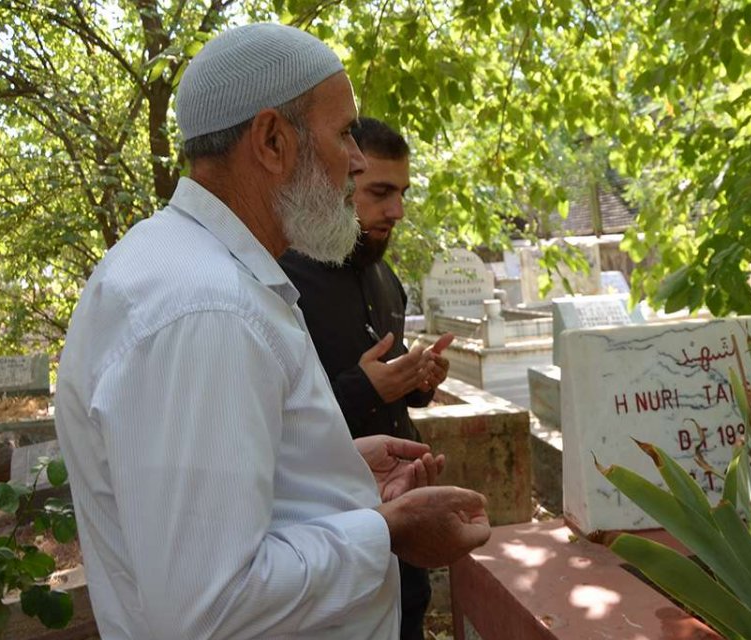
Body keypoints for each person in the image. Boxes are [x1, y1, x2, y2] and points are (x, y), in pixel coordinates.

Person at [54, 23, 490, 639]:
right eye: (343, 134)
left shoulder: (200, 271)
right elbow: (209, 608)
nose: (358, 160)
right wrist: (388, 528)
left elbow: (219, 520)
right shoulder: (206, 308)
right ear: (272, 141)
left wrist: (325, 467)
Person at [280, 118, 452, 640]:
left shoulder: (384, 277)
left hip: (402, 528)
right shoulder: (283, 282)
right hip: (327, 542)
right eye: (379, 192)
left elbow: (391, 392)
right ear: (339, 179)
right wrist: (365, 389)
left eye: (401, 192)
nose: (396, 210)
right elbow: (272, 425)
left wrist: (419, 380)